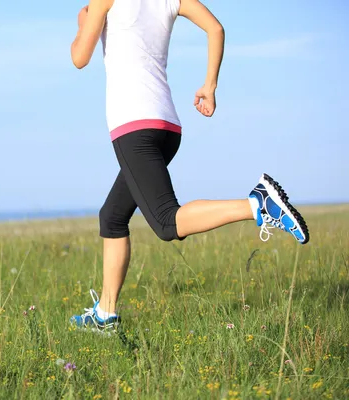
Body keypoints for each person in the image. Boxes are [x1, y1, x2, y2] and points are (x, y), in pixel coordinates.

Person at [69, 0, 310, 331]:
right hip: (168, 127)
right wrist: (209, 86)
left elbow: (79, 58)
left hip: (134, 126)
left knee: (168, 223)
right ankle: (105, 314)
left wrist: (85, 20)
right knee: (112, 217)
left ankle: (257, 203)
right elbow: (216, 28)